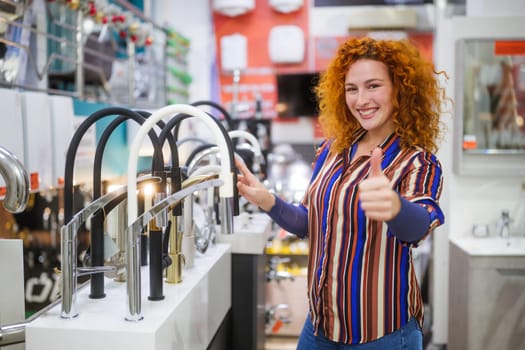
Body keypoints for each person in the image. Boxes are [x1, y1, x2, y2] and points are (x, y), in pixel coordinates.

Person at [236, 36, 448, 349]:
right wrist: (268, 201)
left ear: (398, 90)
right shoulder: (332, 151)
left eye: (373, 86)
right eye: (352, 89)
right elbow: (309, 222)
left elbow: (419, 228)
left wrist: (395, 207)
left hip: (382, 334)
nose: (361, 99)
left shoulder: (416, 161)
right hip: (319, 328)